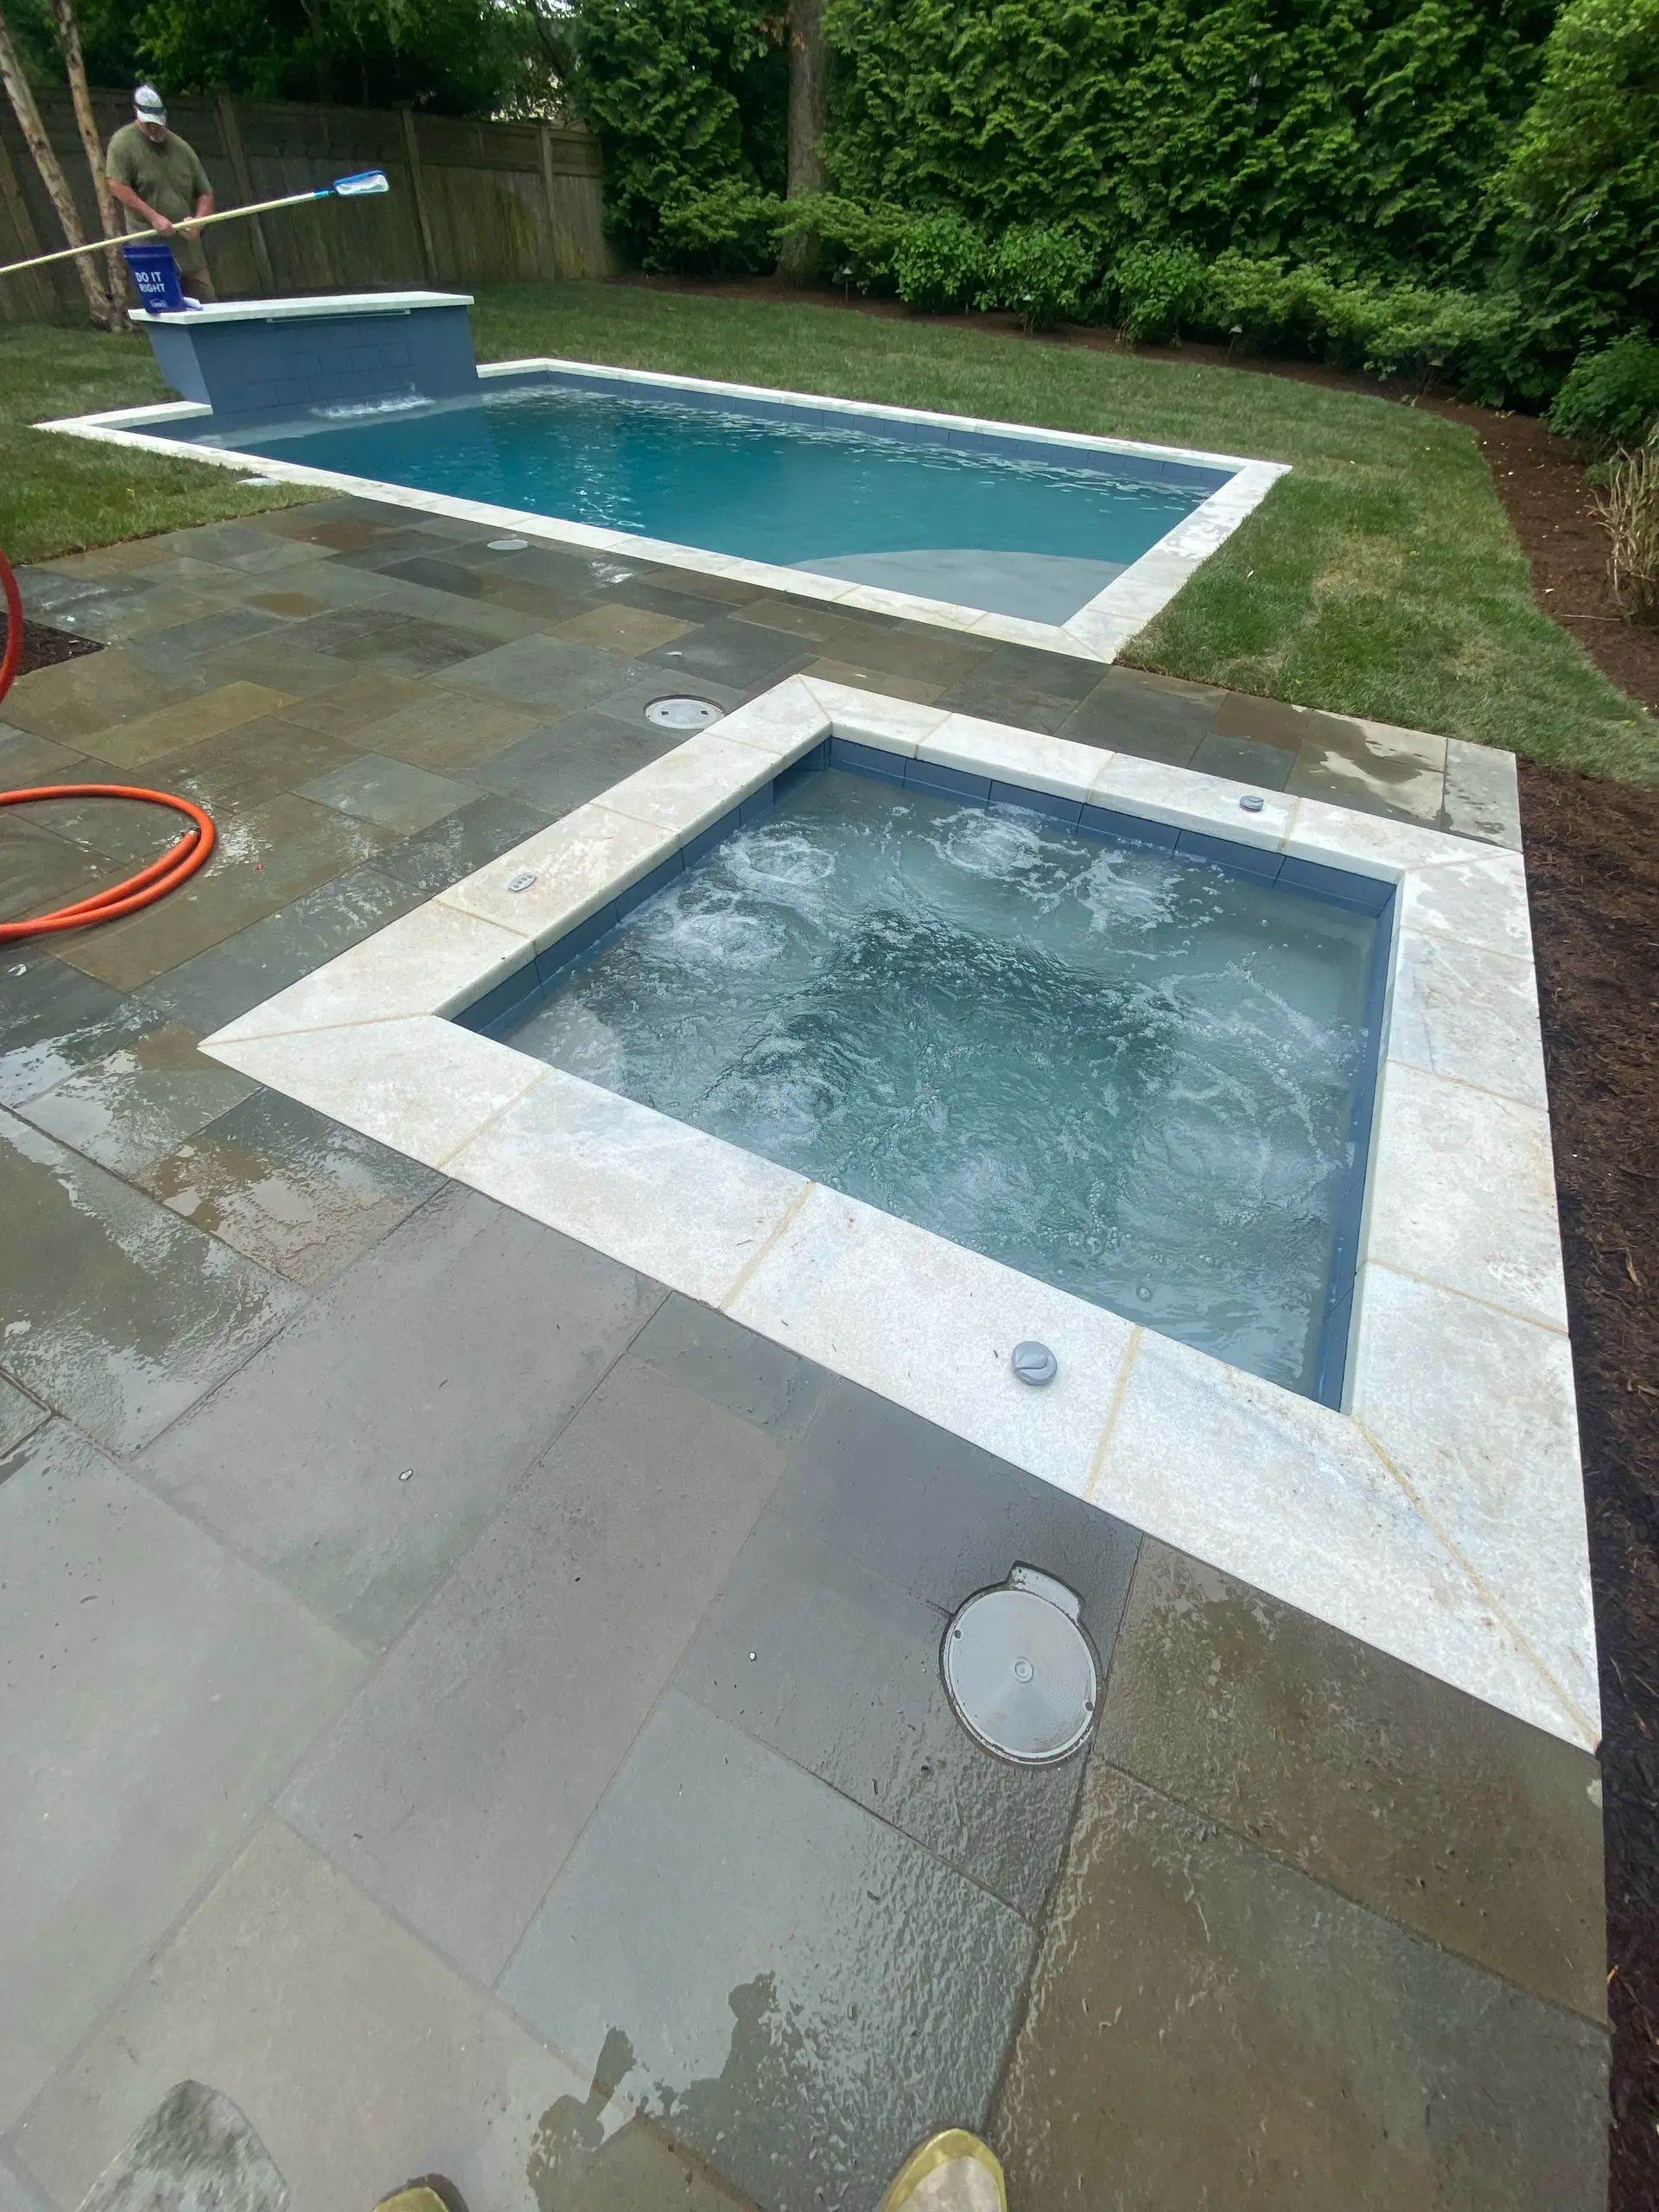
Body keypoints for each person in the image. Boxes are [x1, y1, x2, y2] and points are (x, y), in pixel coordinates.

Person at [105, 84, 218, 302]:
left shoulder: (182, 149)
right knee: (165, 309)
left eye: (157, 123)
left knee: (208, 305)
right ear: (137, 115)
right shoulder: (122, 143)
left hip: (188, 252)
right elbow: (116, 184)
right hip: (152, 251)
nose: (153, 129)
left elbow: (206, 193)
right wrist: (153, 217)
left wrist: (198, 222)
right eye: (148, 124)